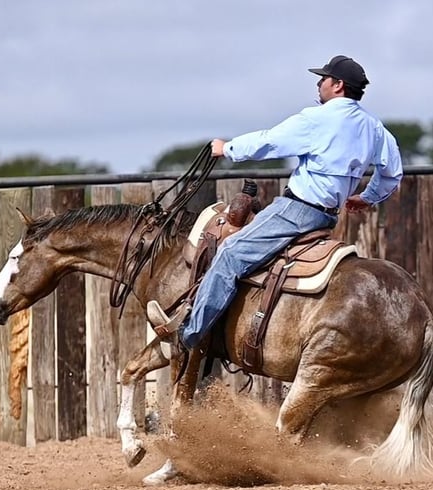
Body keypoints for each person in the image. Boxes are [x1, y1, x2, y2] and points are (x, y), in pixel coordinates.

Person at [147, 55, 403, 350]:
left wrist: (227, 148)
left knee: (231, 253)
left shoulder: (317, 119)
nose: (319, 83)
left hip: (297, 211)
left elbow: (270, 141)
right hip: (328, 217)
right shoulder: (374, 128)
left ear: (338, 85)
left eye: (323, 78)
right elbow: (392, 173)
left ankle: (187, 335)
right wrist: (367, 198)